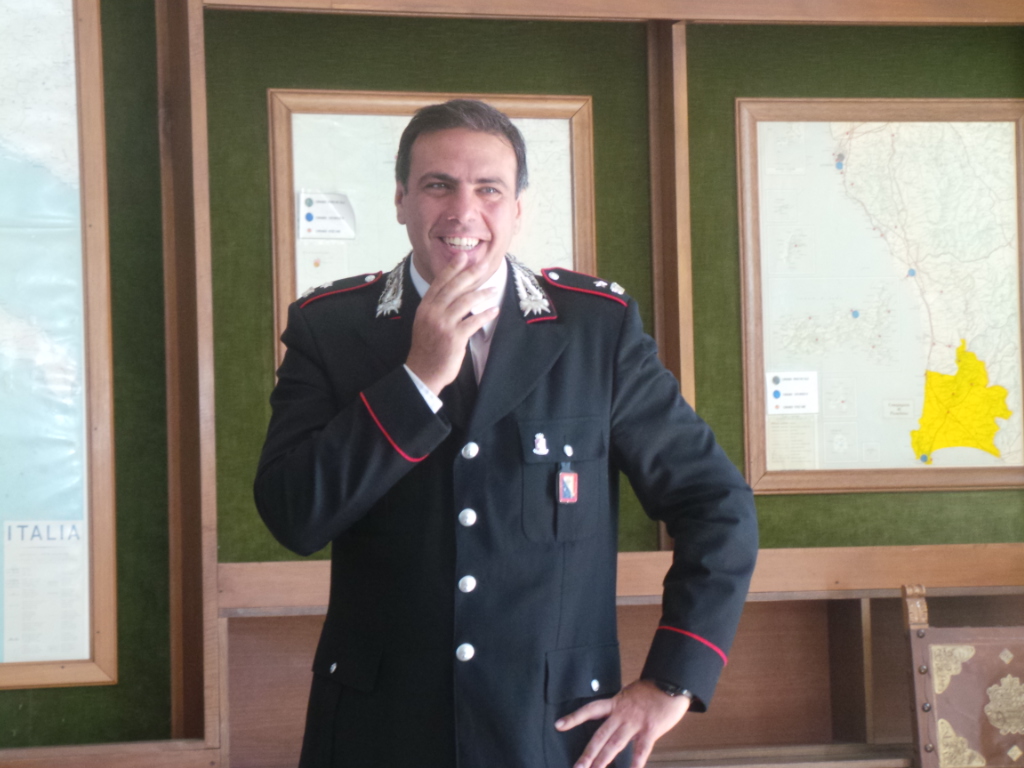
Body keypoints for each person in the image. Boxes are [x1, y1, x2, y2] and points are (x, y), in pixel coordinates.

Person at [254, 99, 758, 768]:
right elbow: (293, 516)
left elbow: (717, 505)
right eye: (438, 185)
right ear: (401, 199)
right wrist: (417, 380)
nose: (463, 212)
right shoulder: (330, 327)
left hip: (552, 735)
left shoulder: (595, 329)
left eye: (488, 189)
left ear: (518, 207)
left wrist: (673, 681)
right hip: (379, 732)